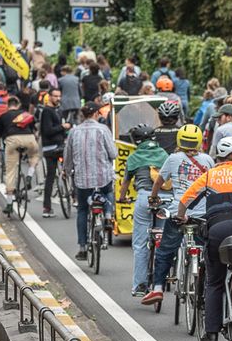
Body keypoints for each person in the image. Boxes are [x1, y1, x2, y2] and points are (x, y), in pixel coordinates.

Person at [176, 137, 232, 341]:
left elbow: (185, 201)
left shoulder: (208, 176)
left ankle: (211, 333)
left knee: (214, 281)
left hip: (218, 230)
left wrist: (181, 217)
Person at [141, 124, 215, 305]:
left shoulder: (173, 159)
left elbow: (158, 182)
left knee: (165, 250)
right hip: (201, 214)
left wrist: (153, 198)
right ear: (199, 142)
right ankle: (205, 284)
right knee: (205, 250)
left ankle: (157, 288)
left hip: (178, 213)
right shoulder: (208, 160)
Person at [120, 123, 170, 297]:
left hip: (143, 199)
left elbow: (125, 184)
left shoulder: (134, 157)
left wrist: (121, 198)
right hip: (164, 199)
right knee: (163, 241)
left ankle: (140, 286)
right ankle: (162, 280)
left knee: (140, 244)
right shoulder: (164, 154)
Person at [65, 102, 118, 259]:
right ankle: (108, 216)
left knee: (82, 209)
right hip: (103, 177)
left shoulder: (74, 132)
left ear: (82, 115)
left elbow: (68, 156)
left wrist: (67, 171)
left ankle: (82, 247)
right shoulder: (103, 130)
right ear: (96, 114)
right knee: (108, 190)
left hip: (82, 180)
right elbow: (113, 153)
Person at [0, 97, 40, 213]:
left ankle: (9, 204)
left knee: (10, 171)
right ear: (18, 105)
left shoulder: (3, 116)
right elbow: (34, 129)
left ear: (7, 105)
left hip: (12, 140)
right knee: (34, 155)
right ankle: (30, 175)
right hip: (29, 138)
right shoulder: (25, 114)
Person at [39, 88, 70, 218]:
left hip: (60, 145)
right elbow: (47, 130)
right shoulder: (47, 111)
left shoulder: (59, 110)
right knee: (50, 177)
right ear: (49, 97)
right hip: (51, 148)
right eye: (55, 96)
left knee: (69, 168)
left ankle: (72, 194)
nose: (58, 99)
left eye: (59, 96)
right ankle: (47, 207)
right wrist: (62, 127)